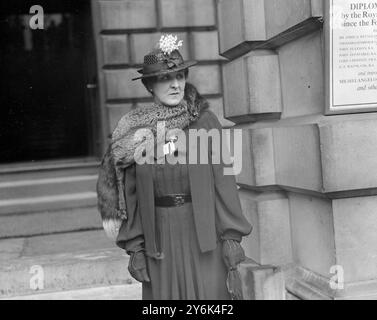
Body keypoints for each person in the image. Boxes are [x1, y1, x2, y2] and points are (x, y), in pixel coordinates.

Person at [97, 34, 252, 300]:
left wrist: (231, 236)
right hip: (159, 239)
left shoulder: (204, 121)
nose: (175, 84)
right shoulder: (136, 129)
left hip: (203, 235)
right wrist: (135, 248)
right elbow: (130, 195)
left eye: (179, 77)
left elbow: (224, 181)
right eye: (165, 79)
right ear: (149, 86)